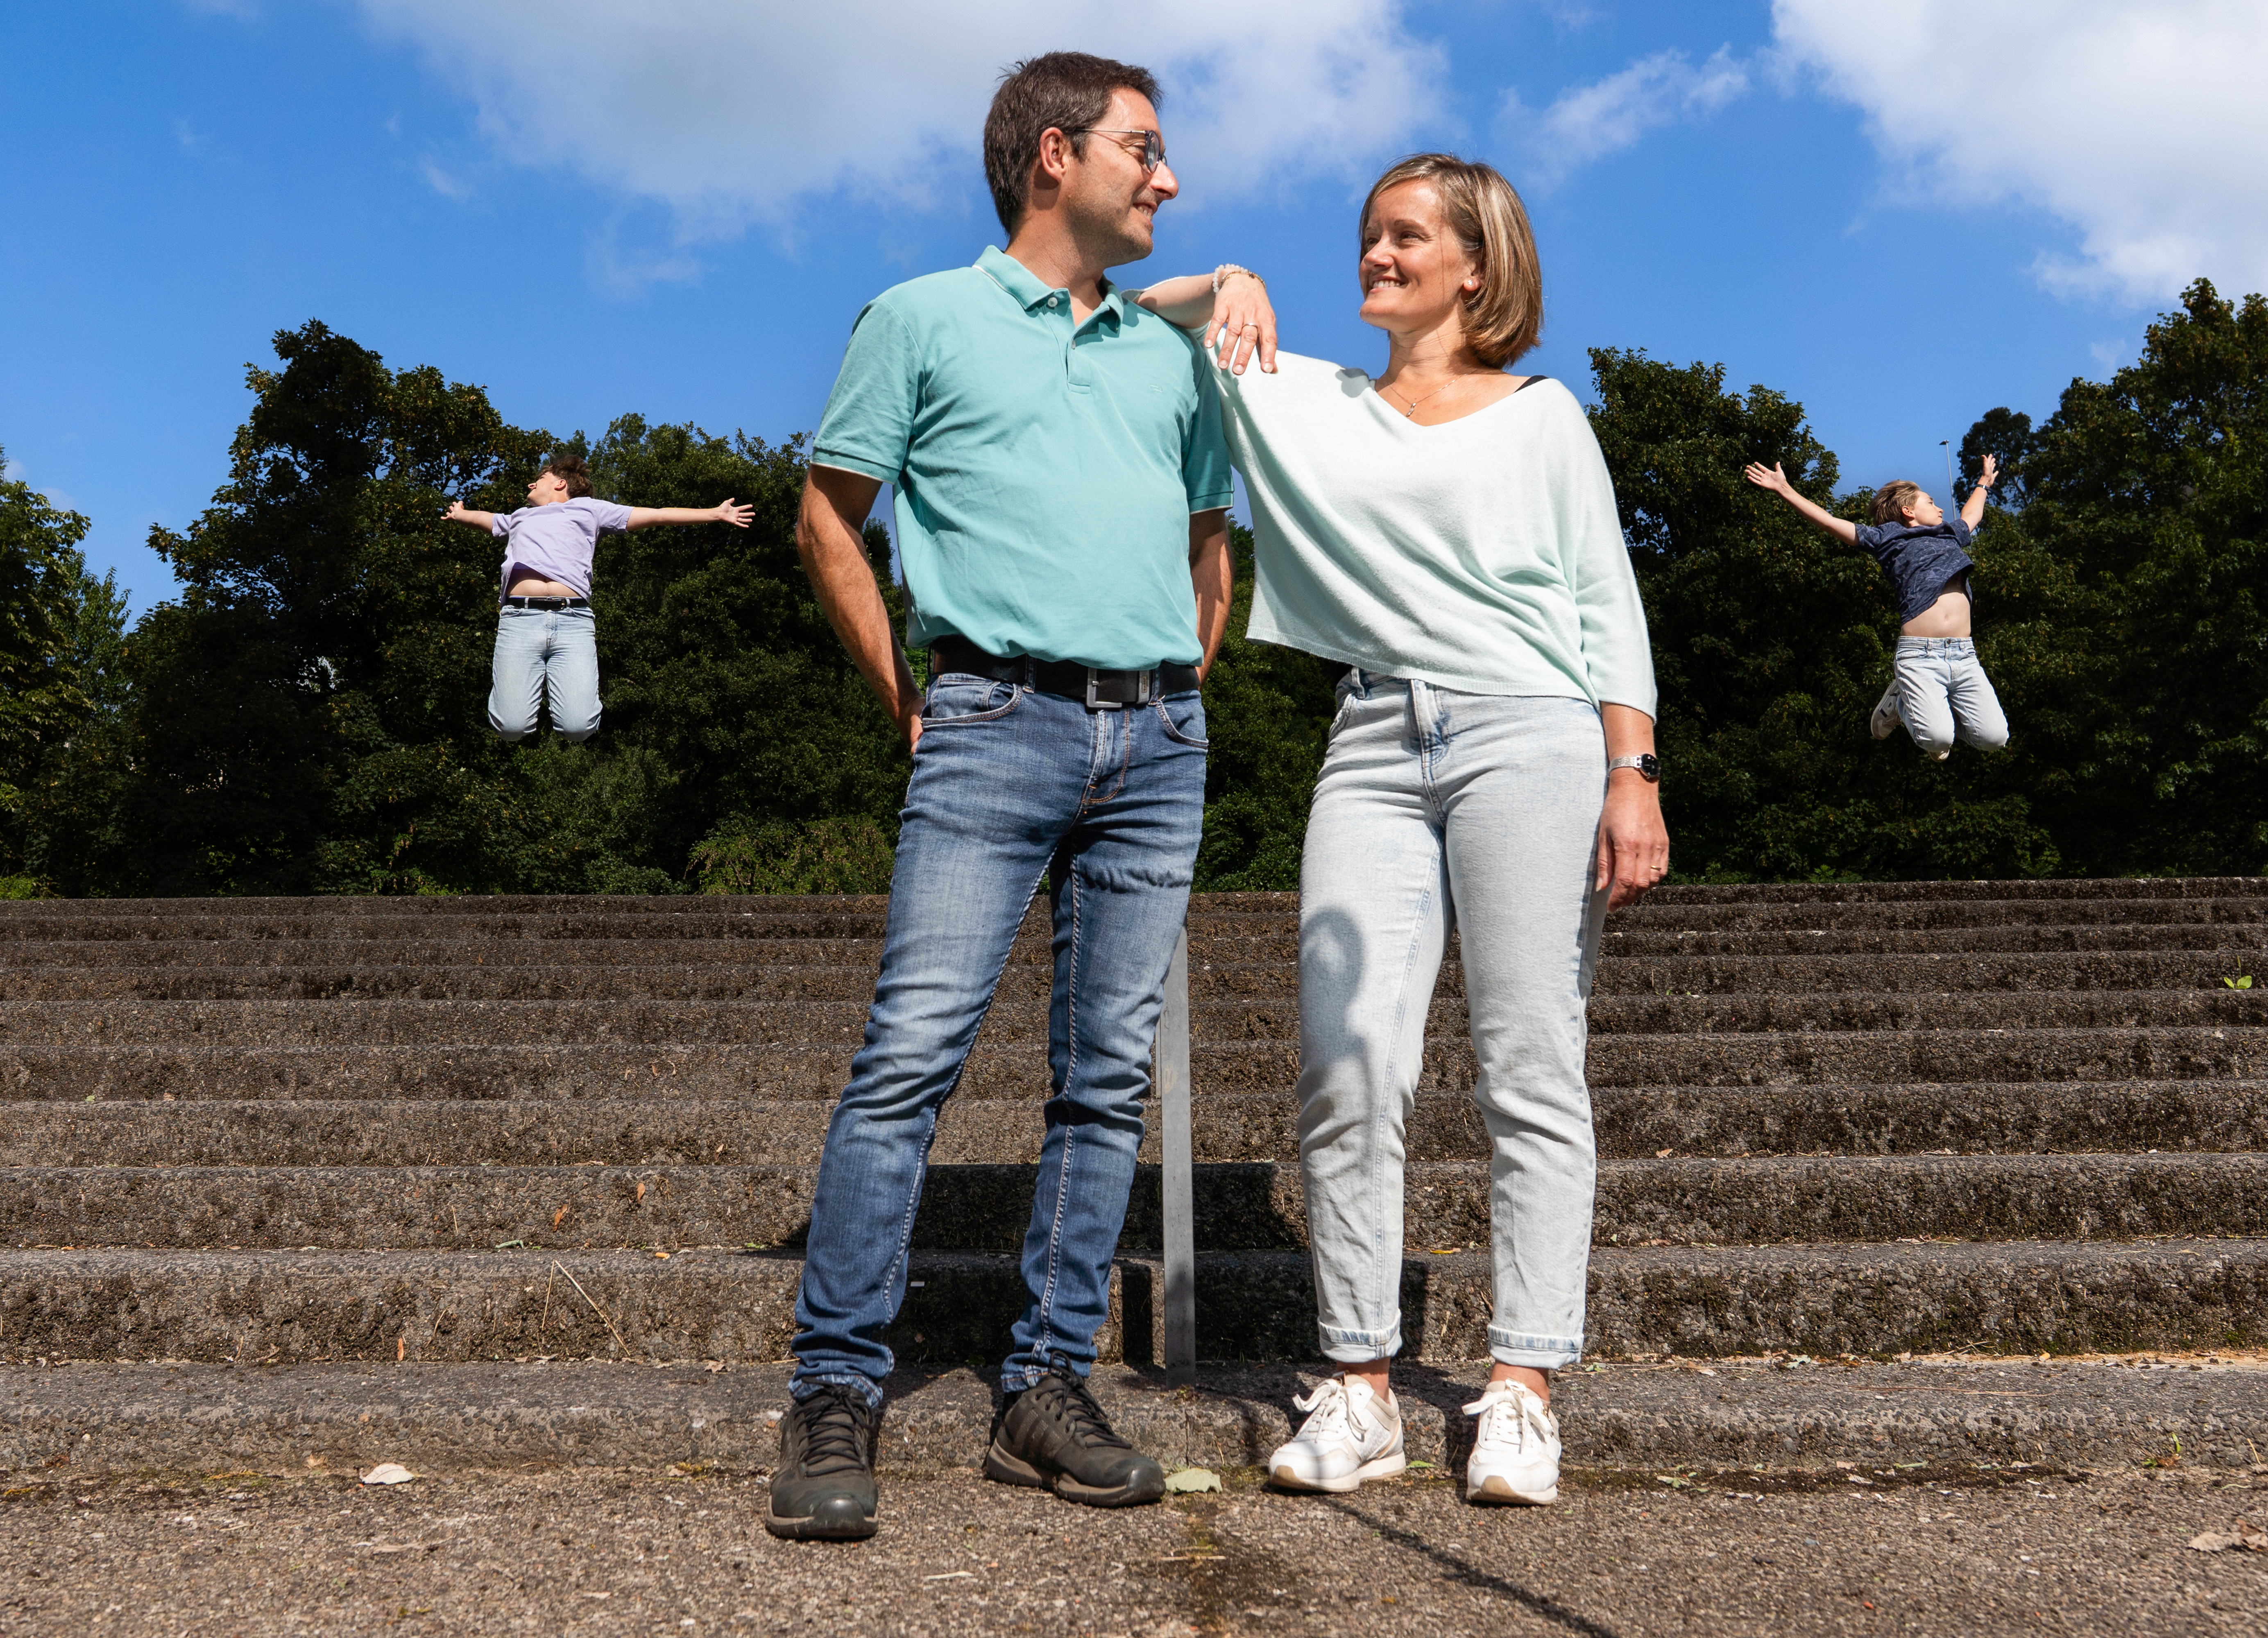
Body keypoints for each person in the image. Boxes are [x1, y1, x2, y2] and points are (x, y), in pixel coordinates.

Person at [765, 52, 1251, 1543]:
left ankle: (1043, 1387)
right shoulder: (919, 319)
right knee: (908, 1056)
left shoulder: (1177, 360)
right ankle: (835, 1383)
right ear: (1055, 157)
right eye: (1143, 150)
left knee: (1104, 1081)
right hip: (989, 718)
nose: (1167, 177)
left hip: (1156, 742)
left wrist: (1181, 690)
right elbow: (826, 521)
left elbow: (1208, 548)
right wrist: (910, 700)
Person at [1135, 153, 1668, 1507]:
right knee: (1347, 1063)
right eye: (1368, 234)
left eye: (1407, 235)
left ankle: (1525, 1386)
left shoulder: (1544, 416)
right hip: (1372, 739)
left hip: (1532, 731)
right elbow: (1127, 323)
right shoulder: (1304, 397)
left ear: (1477, 264)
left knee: (1528, 1059)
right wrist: (1227, 281)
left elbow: (1606, 598)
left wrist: (1633, 770)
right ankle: (1361, 1388)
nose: (1375, 253)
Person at [443, 454, 753, 743]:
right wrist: (461, 514)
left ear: (560, 483)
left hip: (573, 622)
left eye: (539, 478)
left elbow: (656, 515)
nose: (530, 484)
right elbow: (486, 519)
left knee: (578, 729)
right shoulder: (519, 517)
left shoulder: (590, 509)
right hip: (520, 621)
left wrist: (715, 514)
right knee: (511, 728)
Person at [1742, 455, 2009, 759]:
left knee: (1995, 738)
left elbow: (1972, 514)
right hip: (1920, 655)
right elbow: (1831, 522)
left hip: (1964, 655)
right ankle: (1902, 704)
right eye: (1931, 502)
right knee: (1937, 741)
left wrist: (1984, 483)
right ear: (1908, 511)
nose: (1939, 509)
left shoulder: (1950, 534)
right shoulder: (1888, 538)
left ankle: (1919, 706)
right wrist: (1784, 490)